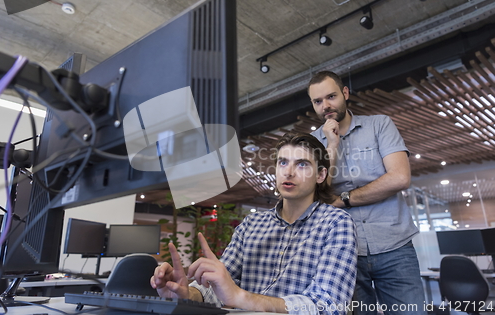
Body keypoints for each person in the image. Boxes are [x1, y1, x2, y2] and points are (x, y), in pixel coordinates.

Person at [151, 132, 357, 315]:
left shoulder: (336, 224)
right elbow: (220, 287)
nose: (289, 172)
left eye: (302, 164)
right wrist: (189, 294)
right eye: (283, 163)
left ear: (321, 175)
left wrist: (241, 298)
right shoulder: (251, 225)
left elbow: (328, 306)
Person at [308, 71, 426, 315]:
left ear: (345, 93)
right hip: (343, 252)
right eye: (317, 101)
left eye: (331, 96)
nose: (325, 106)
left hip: (395, 246)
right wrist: (331, 146)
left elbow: (399, 177)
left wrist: (344, 200)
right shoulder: (311, 143)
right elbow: (315, 195)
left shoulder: (380, 125)